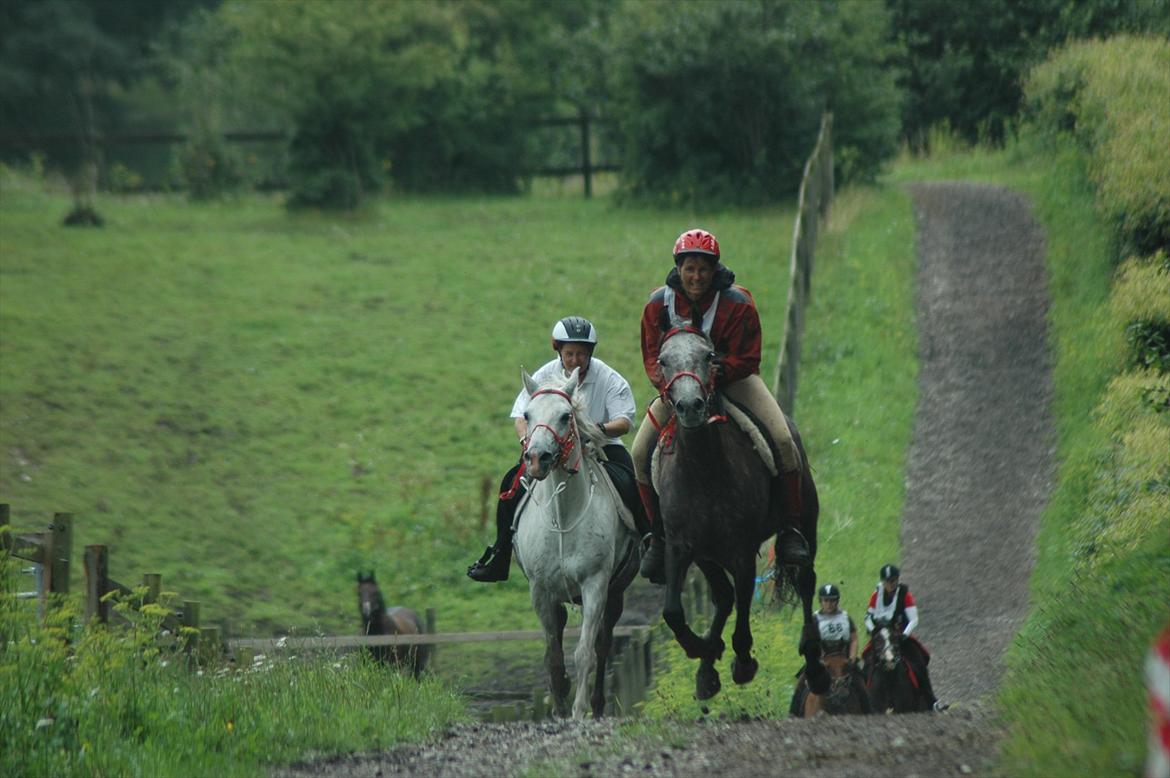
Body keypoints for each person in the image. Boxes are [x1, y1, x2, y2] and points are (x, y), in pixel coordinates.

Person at [634, 228, 809, 584]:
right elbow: (653, 357)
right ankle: (657, 536)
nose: (696, 276)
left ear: (714, 270)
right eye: (689, 268)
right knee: (638, 453)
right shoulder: (657, 304)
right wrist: (671, 386)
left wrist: (721, 370)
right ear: (678, 269)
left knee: (783, 439)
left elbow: (750, 356)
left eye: (703, 269)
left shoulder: (738, 303)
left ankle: (790, 529)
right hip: (681, 389)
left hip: (734, 381)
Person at [467, 316, 646, 582]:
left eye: (582, 354)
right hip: (550, 446)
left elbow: (624, 423)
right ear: (559, 351)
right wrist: (528, 443)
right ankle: (501, 555)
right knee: (510, 486)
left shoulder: (609, 378)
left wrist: (593, 431)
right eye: (570, 353)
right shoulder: (543, 375)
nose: (576, 360)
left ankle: (651, 543)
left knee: (633, 483)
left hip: (602, 445)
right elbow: (520, 417)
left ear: (591, 353)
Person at [864, 563, 945, 711]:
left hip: (900, 637)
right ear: (883, 581)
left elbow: (913, 619)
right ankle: (864, 702)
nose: (890, 584)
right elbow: (868, 617)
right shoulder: (876, 595)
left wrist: (904, 634)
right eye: (887, 581)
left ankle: (931, 699)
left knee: (919, 662)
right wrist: (874, 631)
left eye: (893, 580)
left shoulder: (904, 594)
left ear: (897, 580)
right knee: (866, 662)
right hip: (881, 637)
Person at [789, 583, 866, 716]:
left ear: (837, 601)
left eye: (832, 600)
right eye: (826, 600)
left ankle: (868, 710)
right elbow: (808, 643)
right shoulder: (814, 619)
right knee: (802, 680)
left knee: (860, 680)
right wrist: (816, 660)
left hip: (843, 658)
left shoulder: (846, 618)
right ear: (820, 601)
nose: (829, 604)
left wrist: (852, 658)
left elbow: (853, 639)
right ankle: (793, 712)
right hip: (822, 659)